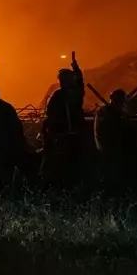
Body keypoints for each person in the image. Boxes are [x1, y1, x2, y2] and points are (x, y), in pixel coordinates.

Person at [41, 54, 86, 188]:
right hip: (71, 133)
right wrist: (76, 68)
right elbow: (80, 82)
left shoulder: (60, 95)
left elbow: (50, 113)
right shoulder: (75, 93)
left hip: (63, 134)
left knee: (59, 163)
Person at [94, 88, 136, 191]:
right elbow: (109, 131)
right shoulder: (105, 113)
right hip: (109, 149)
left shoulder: (109, 112)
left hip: (113, 149)